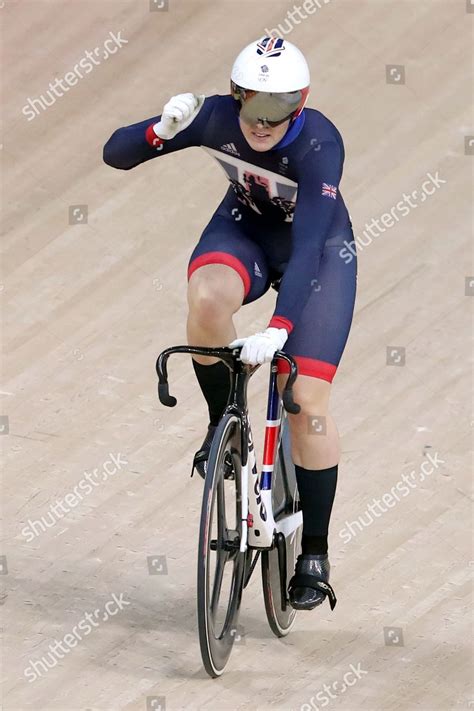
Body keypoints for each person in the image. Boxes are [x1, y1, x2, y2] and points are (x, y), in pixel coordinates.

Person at [103, 35, 357, 611]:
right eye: (253, 106)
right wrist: (160, 133)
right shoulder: (214, 115)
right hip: (243, 227)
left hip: (316, 252)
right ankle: (227, 423)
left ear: (301, 103)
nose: (263, 123)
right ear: (235, 95)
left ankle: (313, 552)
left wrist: (279, 327)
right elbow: (114, 155)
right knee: (208, 297)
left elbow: (312, 241)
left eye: (279, 110)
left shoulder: (320, 141)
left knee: (307, 403)